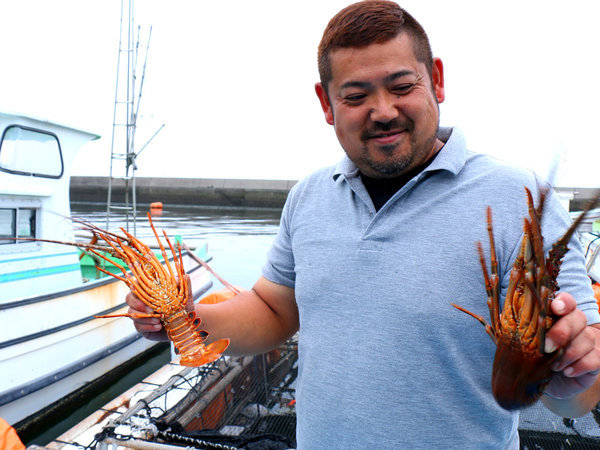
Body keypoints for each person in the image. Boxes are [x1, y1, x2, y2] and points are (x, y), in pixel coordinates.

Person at [127, 1, 600, 447]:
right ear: (326, 103)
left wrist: (574, 370)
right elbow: (274, 311)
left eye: (401, 86)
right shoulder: (309, 196)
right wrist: (185, 319)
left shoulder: (519, 198)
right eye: (356, 95)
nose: (384, 111)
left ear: (436, 80)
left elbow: (578, 393)